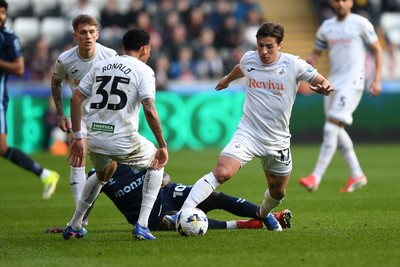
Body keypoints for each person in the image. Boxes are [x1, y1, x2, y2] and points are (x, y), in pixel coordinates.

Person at [163, 22, 334, 231]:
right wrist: (227, 79)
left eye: (269, 46)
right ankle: (183, 212)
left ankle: (263, 215)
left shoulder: (293, 64)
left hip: (277, 140)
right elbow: (241, 68)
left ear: (280, 45)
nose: (263, 51)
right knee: (222, 172)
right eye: (260, 45)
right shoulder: (249, 59)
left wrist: (325, 86)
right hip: (248, 133)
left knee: (278, 191)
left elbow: (321, 79)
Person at [64, 29, 168, 241]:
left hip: (94, 137)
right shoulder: (143, 70)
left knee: (103, 174)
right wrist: (162, 144)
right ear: (145, 49)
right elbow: (150, 109)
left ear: (124, 46)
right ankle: (142, 225)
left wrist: (77, 137)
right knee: (157, 161)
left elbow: (76, 99)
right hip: (122, 139)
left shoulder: (100, 65)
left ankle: (74, 225)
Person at [46, 166, 292, 233]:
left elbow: (164, 176)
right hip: (151, 217)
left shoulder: (135, 153)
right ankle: (244, 224)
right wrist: (75, 225)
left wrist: (163, 179)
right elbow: (87, 202)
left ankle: (265, 215)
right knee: (185, 223)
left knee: (213, 196)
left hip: (169, 193)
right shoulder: (97, 175)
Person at [299, 0, 383, 192]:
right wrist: (309, 67)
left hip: (354, 82)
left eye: (344, 0)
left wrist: (376, 79)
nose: (340, 3)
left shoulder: (361, 23)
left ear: (351, 2)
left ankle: (315, 177)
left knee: (331, 128)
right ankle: (357, 174)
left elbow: (377, 50)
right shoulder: (326, 27)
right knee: (336, 129)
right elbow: (315, 56)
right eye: (336, 0)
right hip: (333, 82)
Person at [51, 14, 118, 212]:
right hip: (81, 117)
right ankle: (80, 219)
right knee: (77, 159)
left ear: (97, 34)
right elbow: (55, 82)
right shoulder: (65, 60)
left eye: (91, 32)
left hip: (106, 119)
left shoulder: (110, 56)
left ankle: (84, 209)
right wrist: (61, 114)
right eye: (83, 32)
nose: (87, 36)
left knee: (108, 170)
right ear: (75, 36)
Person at [0, 0, 59, 200]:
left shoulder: (8, 38)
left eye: (3, 12)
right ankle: (44, 174)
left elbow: (19, 68)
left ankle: (45, 174)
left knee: (2, 148)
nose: (1, 16)